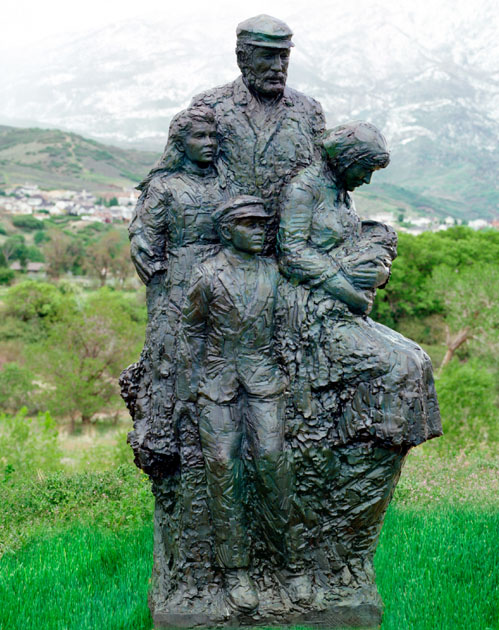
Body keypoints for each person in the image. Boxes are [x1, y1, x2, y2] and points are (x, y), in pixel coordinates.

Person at [277, 121, 442, 589]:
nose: (367, 181)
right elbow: (291, 253)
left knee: (418, 358)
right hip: (310, 310)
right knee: (399, 366)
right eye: (365, 169)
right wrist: (345, 285)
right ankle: (373, 431)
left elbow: (345, 243)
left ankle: (382, 435)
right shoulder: (304, 189)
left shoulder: (341, 193)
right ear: (345, 159)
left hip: (343, 306)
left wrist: (374, 264)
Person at [177, 195, 290, 613]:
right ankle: (236, 571)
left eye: (262, 224)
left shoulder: (273, 272)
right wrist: (190, 388)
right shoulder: (206, 275)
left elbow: (287, 327)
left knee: (272, 461)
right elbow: (191, 331)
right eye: (249, 224)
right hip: (217, 384)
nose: (260, 231)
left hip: (263, 380)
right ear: (227, 231)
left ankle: (288, 562)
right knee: (224, 468)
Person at [156, 14, 326, 251]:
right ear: (242, 58)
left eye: (284, 56)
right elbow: (175, 171)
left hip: (289, 247)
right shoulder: (210, 105)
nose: (278, 67)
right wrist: (149, 231)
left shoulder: (309, 110)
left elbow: (323, 180)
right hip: (226, 248)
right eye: (267, 56)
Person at [122, 103, 228, 474]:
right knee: (172, 358)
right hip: (177, 286)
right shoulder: (163, 188)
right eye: (200, 136)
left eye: (213, 136)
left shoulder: (225, 184)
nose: (209, 143)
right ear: (181, 144)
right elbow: (147, 245)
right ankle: (166, 438)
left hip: (225, 283)